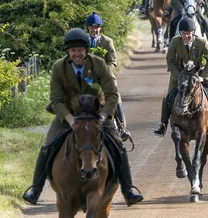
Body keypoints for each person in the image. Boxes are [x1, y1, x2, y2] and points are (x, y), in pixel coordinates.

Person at [22, 28, 143, 206]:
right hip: (69, 115)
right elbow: (56, 100)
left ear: (86, 50)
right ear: (68, 52)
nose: (77, 54)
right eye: (73, 50)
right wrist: (70, 120)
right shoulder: (58, 67)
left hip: (97, 114)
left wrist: (103, 116)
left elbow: (112, 94)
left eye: (80, 50)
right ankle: (35, 189)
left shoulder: (99, 64)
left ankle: (128, 189)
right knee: (47, 146)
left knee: (118, 146)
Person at [153, 17, 208, 136]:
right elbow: (170, 61)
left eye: (189, 33)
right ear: (180, 33)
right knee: (168, 97)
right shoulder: (175, 42)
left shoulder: (202, 42)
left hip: (200, 74)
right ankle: (163, 124)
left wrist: (203, 77)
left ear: (193, 32)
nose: (186, 36)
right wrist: (179, 76)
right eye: (184, 34)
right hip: (180, 75)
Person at [85, 12, 131, 141]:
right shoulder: (82, 42)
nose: (94, 30)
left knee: (115, 98)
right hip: (88, 78)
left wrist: (103, 72)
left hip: (105, 79)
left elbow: (113, 61)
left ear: (100, 28)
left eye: (97, 27)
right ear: (88, 28)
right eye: (92, 27)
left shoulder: (107, 41)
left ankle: (122, 128)